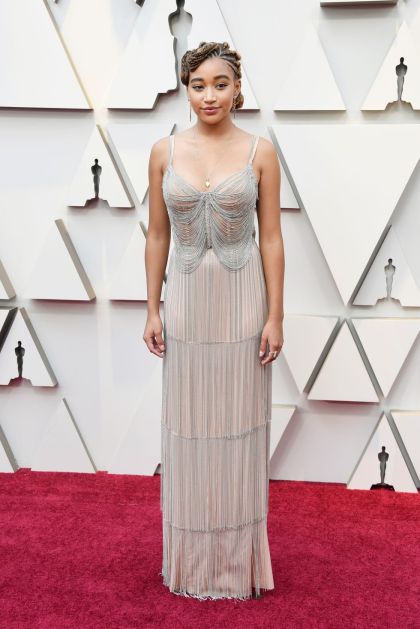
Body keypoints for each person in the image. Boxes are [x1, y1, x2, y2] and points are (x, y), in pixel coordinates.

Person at [144, 41, 285, 601]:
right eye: (198, 85)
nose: (209, 95)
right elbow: (157, 235)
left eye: (220, 84)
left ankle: (234, 564)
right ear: (186, 89)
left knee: (237, 427)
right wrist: (151, 308)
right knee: (190, 428)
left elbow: (271, 238)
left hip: (242, 303)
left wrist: (275, 315)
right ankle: (193, 563)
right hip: (185, 304)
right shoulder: (163, 151)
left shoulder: (260, 152)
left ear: (237, 89)